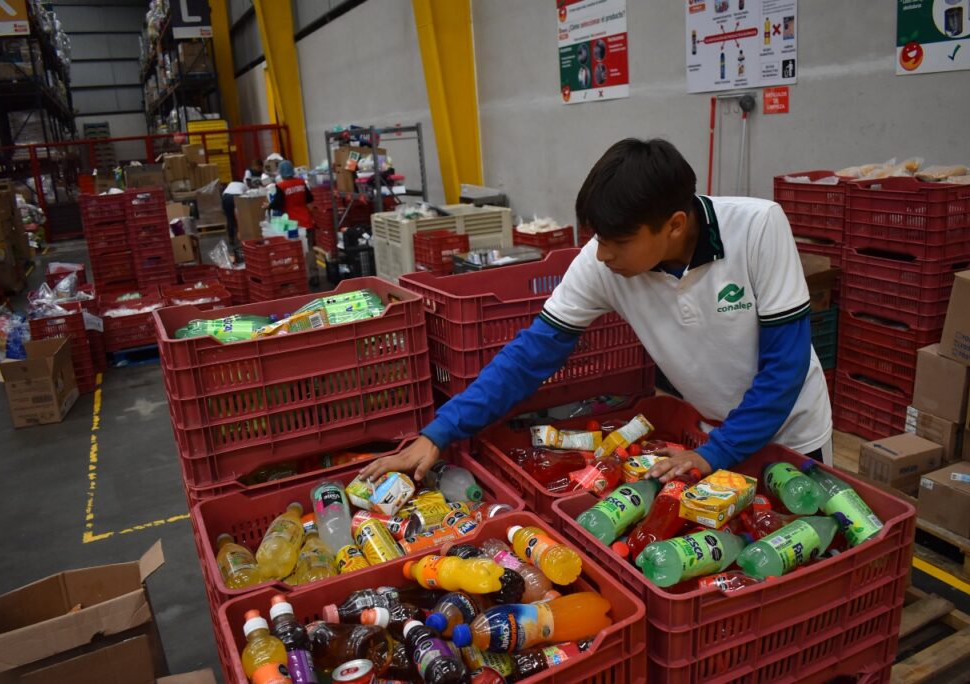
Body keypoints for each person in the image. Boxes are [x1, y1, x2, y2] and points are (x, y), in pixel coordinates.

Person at [360, 138, 832, 484]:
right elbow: (530, 357)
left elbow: (785, 368)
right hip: (706, 431)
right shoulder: (601, 263)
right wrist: (439, 432)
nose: (602, 254)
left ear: (674, 226)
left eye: (617, 241)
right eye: (597, 237)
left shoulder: (757, 227)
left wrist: (720, 451)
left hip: (791, 432)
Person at [268, 160, 318, 285]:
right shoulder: (301, 182)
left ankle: (298, 276)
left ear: (281, 172)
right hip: (306, 220)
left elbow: (278, 204)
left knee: (293, 250)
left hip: (291, 224)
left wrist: (268, 206)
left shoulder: (281, 186)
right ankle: (314, 275)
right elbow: (309, 199)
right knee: (309, 249)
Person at [221, 180, 248, 260]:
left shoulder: (230, 184)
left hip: (225, 197)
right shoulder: (244, 185)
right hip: (237, 196)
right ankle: (241, 236)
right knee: (240, 217)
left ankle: (231, 238)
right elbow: (248, 194)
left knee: (229, 218)